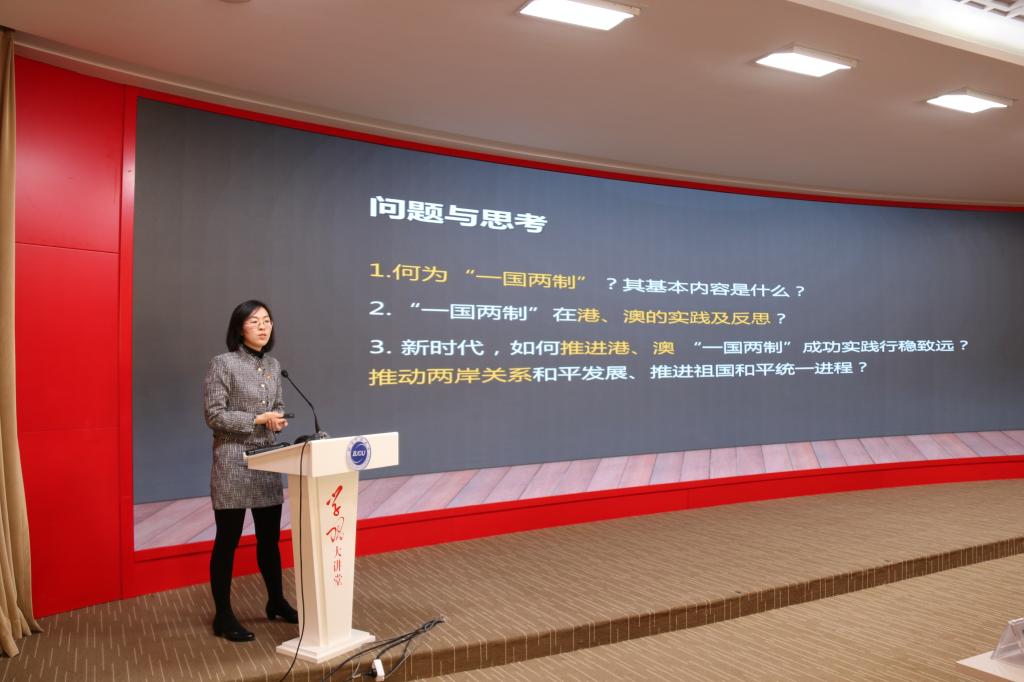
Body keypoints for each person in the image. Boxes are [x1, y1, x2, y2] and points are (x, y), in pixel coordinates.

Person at [203, 299, 299, 642]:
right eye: (255, 321)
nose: (263, 326)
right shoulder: (223, 363)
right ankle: (223, 615)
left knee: (269, 539)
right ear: (239, 327)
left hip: (267, 460)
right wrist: (258, 419)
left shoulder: (273, 365)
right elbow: (214, 415)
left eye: (267, 320)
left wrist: (277, 420)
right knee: (227, 540)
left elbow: (278, 406)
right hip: (233, 461)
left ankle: (276, 601)